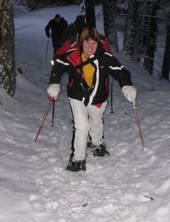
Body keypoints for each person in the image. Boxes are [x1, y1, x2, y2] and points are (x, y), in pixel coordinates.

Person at [47, 27, 137, 172]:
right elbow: (58, 66)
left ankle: (97, 144)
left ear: (98, 44)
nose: (90, 47)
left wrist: (126, 86)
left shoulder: (105, 57)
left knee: (96, 122)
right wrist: (54, 83)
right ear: (81, 43)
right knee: (82, 126)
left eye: (94, 43)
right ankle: (78, 159)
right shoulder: (72, 56)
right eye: (87, 43)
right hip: (76, 96)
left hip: (99, 97)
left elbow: (121, 71)